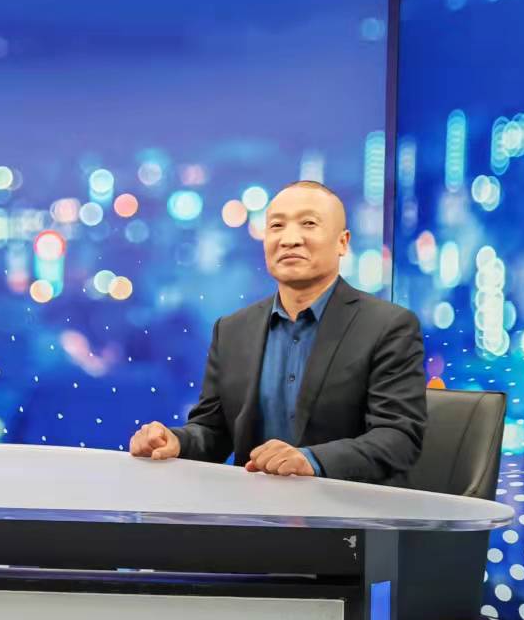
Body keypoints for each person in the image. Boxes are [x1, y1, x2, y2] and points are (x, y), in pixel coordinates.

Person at [128, 180, 426, 484]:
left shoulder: (388, 326)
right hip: (253, 508)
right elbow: (212, 432)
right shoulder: (232, 330)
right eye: (277, 226)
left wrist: (310, 461)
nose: (290, 239)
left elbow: (399, 438)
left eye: (308, 224)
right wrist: (176, 441)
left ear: (342, 242)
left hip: (347, 508)